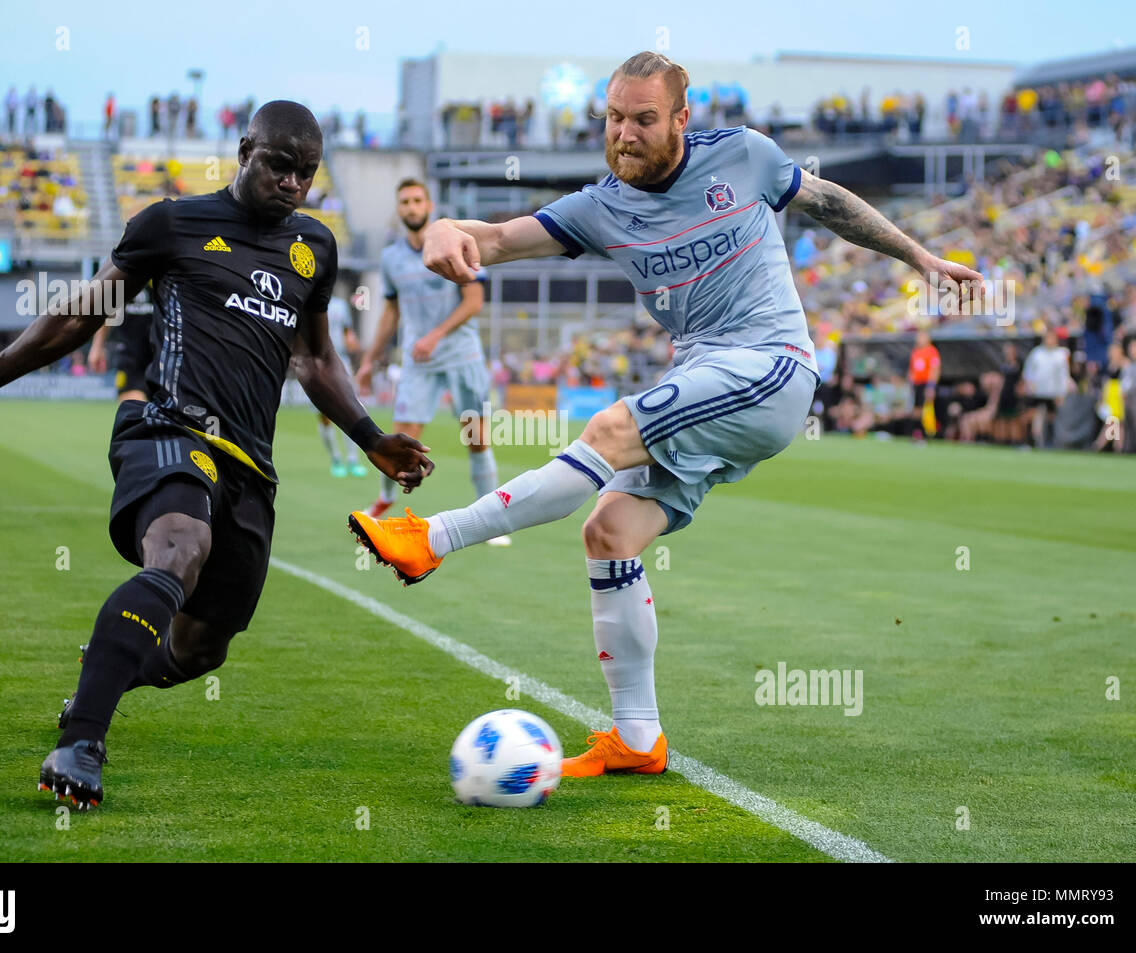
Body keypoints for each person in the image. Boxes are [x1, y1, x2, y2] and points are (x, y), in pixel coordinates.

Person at [349, 52, 981, 778]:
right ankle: (638, 736)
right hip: (703, 376)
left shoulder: (745, 156)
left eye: (643, 120)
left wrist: (921, 258)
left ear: (681, 118)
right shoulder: (601, 206)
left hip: (772, 367)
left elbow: (828, 200)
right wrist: (443, 230)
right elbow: (490, 240)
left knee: (610, 428)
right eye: (614, 119)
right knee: (610, 530)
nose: (624, 134)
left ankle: (430, 537)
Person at [0, 100, 433, 809]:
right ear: (244, 149)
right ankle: (81, 741)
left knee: (199, 649)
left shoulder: (315, 246)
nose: (293, 184)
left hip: (251, 464)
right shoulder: (173, 223)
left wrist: (370, 438)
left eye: (306, 173)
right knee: (179, 547)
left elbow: (314, 358)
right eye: (280, 165)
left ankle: (107, 666)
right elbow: (84, 310)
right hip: (169, 428)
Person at [355, 179, 507, 544]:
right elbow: (391, 312)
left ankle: (491, 520)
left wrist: (435, 335)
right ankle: (383, 505)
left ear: (429, 204)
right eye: (404, 201)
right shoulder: (391, 258)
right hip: (417, 360)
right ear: (399, 209)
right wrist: (369, 360)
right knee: (403, 440)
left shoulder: (453, 244)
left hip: (461, 356)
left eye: (417, 200)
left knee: (476, 439)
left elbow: (474, 300)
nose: (411, 207)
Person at [315, 292, 367, 477]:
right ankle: (336, 458)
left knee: (351, 410)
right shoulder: (306, 301)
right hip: (315, 362)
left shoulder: (340, 305)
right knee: (324, 416)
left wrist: (354, 344)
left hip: (341, 361)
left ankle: (353, 459)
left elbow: (348, 332)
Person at [87, 287, 157, 401]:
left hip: (164, 355)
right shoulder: (125, 274)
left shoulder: (170, 275)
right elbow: (108, 310)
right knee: (132, 406)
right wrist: (97, 347)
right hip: (130, 354)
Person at [1022, 329, 1071, 448]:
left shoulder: (1060, 354)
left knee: (1051, 418)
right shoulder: (1037, 352)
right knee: (1034, 416)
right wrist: (1029, 383)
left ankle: (1050, 443)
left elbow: (1063, 375)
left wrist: (1062, 392)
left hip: (1052, 392)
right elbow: (1028, 371)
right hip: (1037, 392)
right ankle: (1032, 442)